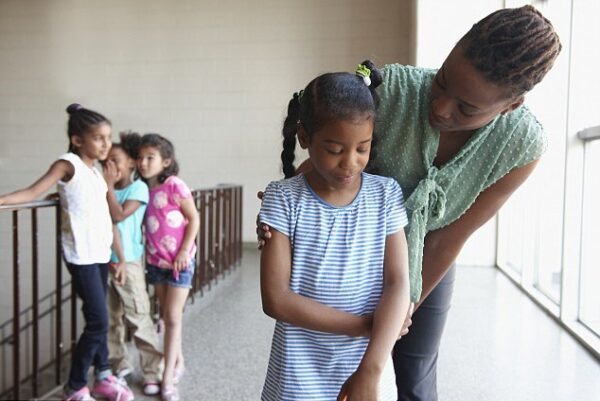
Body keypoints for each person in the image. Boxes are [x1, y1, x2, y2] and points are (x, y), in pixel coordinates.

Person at [258, 5, 562, 401]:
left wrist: (403, 312)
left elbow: (449, 238)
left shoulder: (522, 146)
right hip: (349, 252)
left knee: (413, 369)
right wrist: (282, 214)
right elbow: (331, 152)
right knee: (327, 357)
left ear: (510, 106)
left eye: (466, 108)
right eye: (443, 81)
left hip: (428, 257)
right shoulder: (394, 89)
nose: (440, 107)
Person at [259, 61, 412, 401]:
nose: (350, 163)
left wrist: (371, 369)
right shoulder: (283, 197)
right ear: (304, 138)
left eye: (362, 148)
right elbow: (276, 299)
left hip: (368, 362)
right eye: (334, 150)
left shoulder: (385, 194)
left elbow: (398, 281)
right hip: (299, 371)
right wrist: (367, 327)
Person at [0, 104, 135, 401]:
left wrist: (120, 256)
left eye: (107, 137)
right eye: (98, 138)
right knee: (99, 321)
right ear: (77, 140)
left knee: (96, 319)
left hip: (100, 253)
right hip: (81, 257)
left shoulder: (97, 172)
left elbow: (107, 216)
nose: (105, 144)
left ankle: (102, 376)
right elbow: (32, 192)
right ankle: (74, 387)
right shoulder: (68, 163)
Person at [137, 133, 199, 401]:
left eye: (150, 157)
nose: (143, 162)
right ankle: (178, 363)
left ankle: (166, 380)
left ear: (166, 161)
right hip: (155, 262)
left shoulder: (174, 185)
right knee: (166, 317)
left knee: (173, 318)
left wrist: (184, 250)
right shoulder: (143, 190)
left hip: (179, 262)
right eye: (140, 157)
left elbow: (193, 218)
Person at [103, 131, 164, 396]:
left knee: (138, 316)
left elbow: (117, 216)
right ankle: (119, 364)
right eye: (106, 162)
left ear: (130, 163)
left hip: (130, 262)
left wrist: (107, 186)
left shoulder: (137, 188)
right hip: (105, 261)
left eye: (115, 160)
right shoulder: (107, 190)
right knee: (110, 319)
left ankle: (152, 372)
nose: (110, 167)